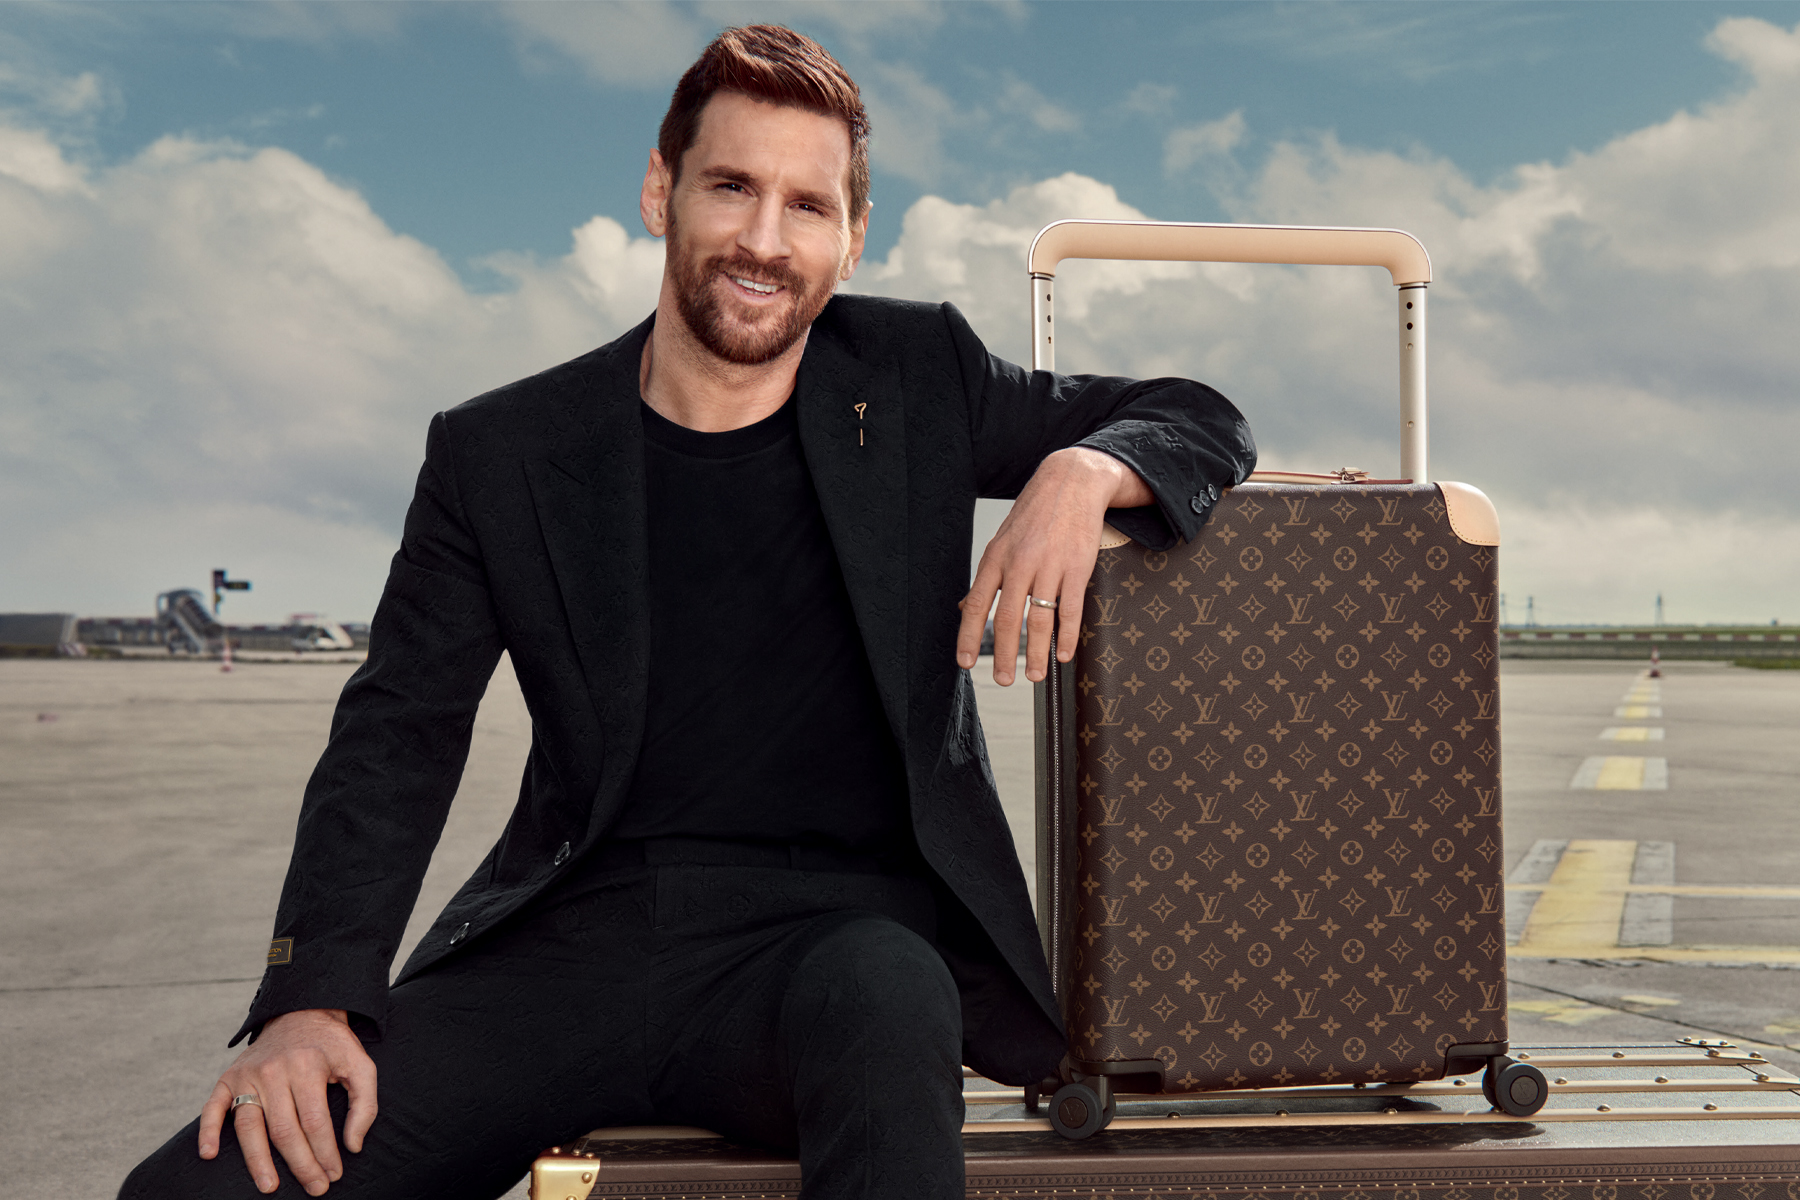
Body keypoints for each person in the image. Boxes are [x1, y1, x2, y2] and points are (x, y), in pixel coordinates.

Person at [120, 24, 1254, 1200]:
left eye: (806, 206)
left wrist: (1084, 467)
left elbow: (1200, 413)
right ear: (662, 192)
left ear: (853, 236)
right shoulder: (500, 452)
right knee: (193, 1193)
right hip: (570, 946)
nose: (765, 240)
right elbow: (397, 731)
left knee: (891, 993)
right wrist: (312, 1001)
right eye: (731, 187)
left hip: (831, 951)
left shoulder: (918, 376)